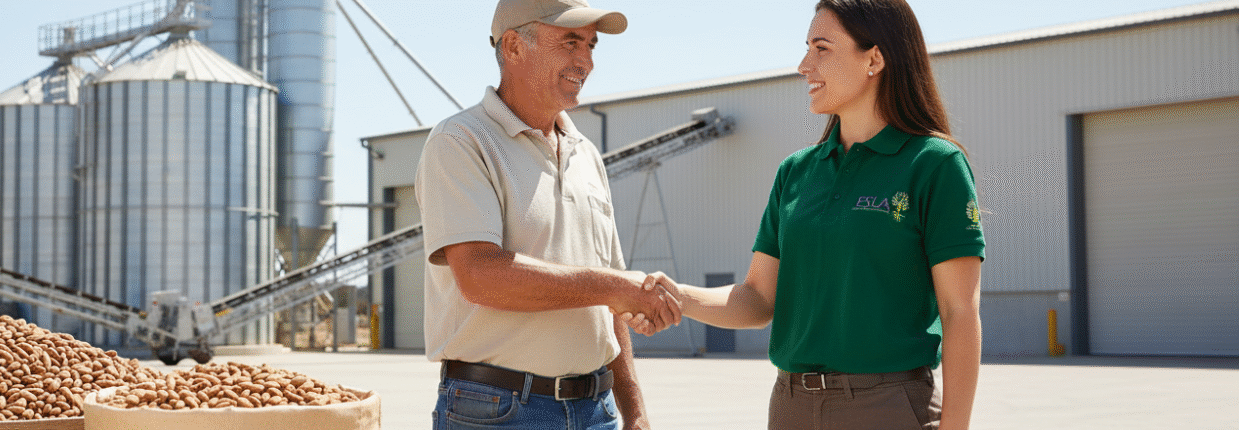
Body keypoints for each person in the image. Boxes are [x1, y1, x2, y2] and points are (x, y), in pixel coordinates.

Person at [627, 0, 985, 428]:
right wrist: (678, 297)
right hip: (790, 406)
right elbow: (758, 299)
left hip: (887, 408)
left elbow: (959, 311)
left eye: (821, 48)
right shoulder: (796, 172)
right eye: (806, 48)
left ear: (874, 58)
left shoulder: (934, 164)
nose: (803, 65)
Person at [413, 0, 683, 428]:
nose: (587, 61)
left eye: (592, 45)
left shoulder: (586, 155)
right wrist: (616, 286)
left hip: (598, 410)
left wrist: (635, 413)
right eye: (571, 42)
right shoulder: (461, 142)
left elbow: (610, 302)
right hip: (499, 412)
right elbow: (480, 276)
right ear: (515, 46)